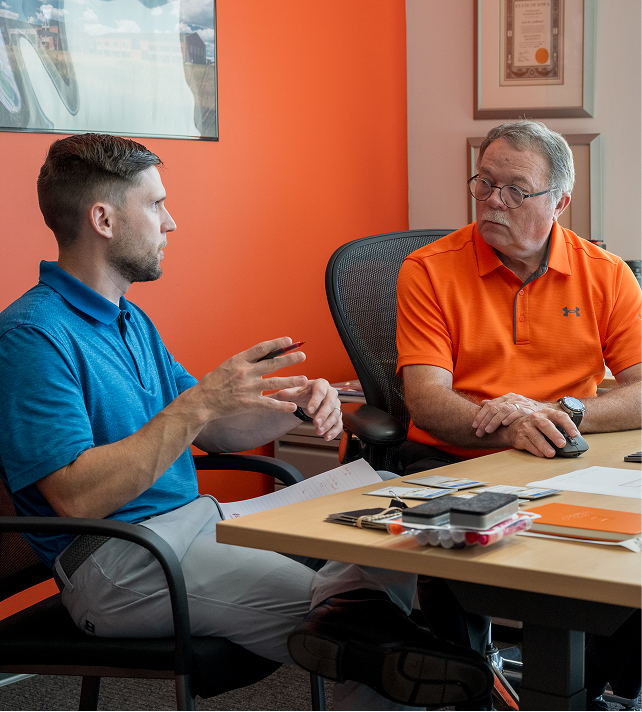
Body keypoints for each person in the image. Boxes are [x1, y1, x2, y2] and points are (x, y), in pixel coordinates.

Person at [0, 133, 493, 711]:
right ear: (103, 219)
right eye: (156, 205)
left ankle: (384, 649)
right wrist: (201, 402)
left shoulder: (128, 321)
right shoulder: (33, 337)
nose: (171, 222)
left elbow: (213, 430)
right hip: (119, 561)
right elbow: (77, 500)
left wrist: (299, 403)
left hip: (196, 525)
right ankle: (396, 653)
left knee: (390, 502)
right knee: (351, 618)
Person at [395, 119, 641, 707]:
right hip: (462, 458)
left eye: (515, 189)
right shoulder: (428, 270)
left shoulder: (605, 273)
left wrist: (557, 414)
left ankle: (610, 688)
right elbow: (426, 400)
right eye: (484, 184)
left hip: (569, 454)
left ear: (561, 200)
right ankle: (473, 678)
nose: (493, 202)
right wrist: (510, 423)